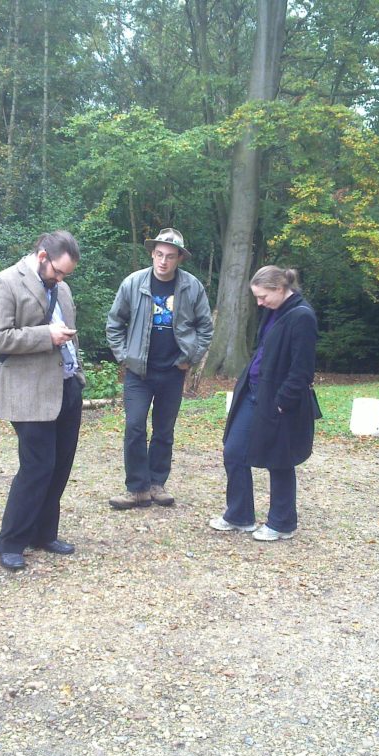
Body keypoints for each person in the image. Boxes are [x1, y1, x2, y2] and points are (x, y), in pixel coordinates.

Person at [0, 230, 86, 571]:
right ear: (42, 256)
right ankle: (11, 541)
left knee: (59, 467)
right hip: (27, 392)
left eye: (66, 275)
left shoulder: (64, 287)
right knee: (36, 467)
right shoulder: (5, 282)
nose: (61, 279)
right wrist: (47, 336)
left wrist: (78, 375)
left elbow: (68, 333)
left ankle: (44, 533)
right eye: (58, 271)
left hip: (67, 386)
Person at [105, 228, 214, 509]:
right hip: (139, 372)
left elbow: (205, 327)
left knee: (164, 430)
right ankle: (137, 488)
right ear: (152, 254)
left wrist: (191, 356)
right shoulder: (133, 283)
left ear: (179, 258)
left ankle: (157, 484)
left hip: (173, 371)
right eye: (159, 255)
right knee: (134, 426)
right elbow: (115, 323)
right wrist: (123, 356)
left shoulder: (192, 287)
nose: (164, 261)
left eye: (170, 256)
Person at [209, 265, 319, 541]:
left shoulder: (302, 317)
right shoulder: (274, 311)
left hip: (280, 399)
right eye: (257, 297)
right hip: (254, 391)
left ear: (280, 289)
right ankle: (240, 515)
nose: (259, 303)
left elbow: (302, 369)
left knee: (279, 459)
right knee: (233, 450)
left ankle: (282, 523)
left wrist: (283, 402)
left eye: (263, 297)